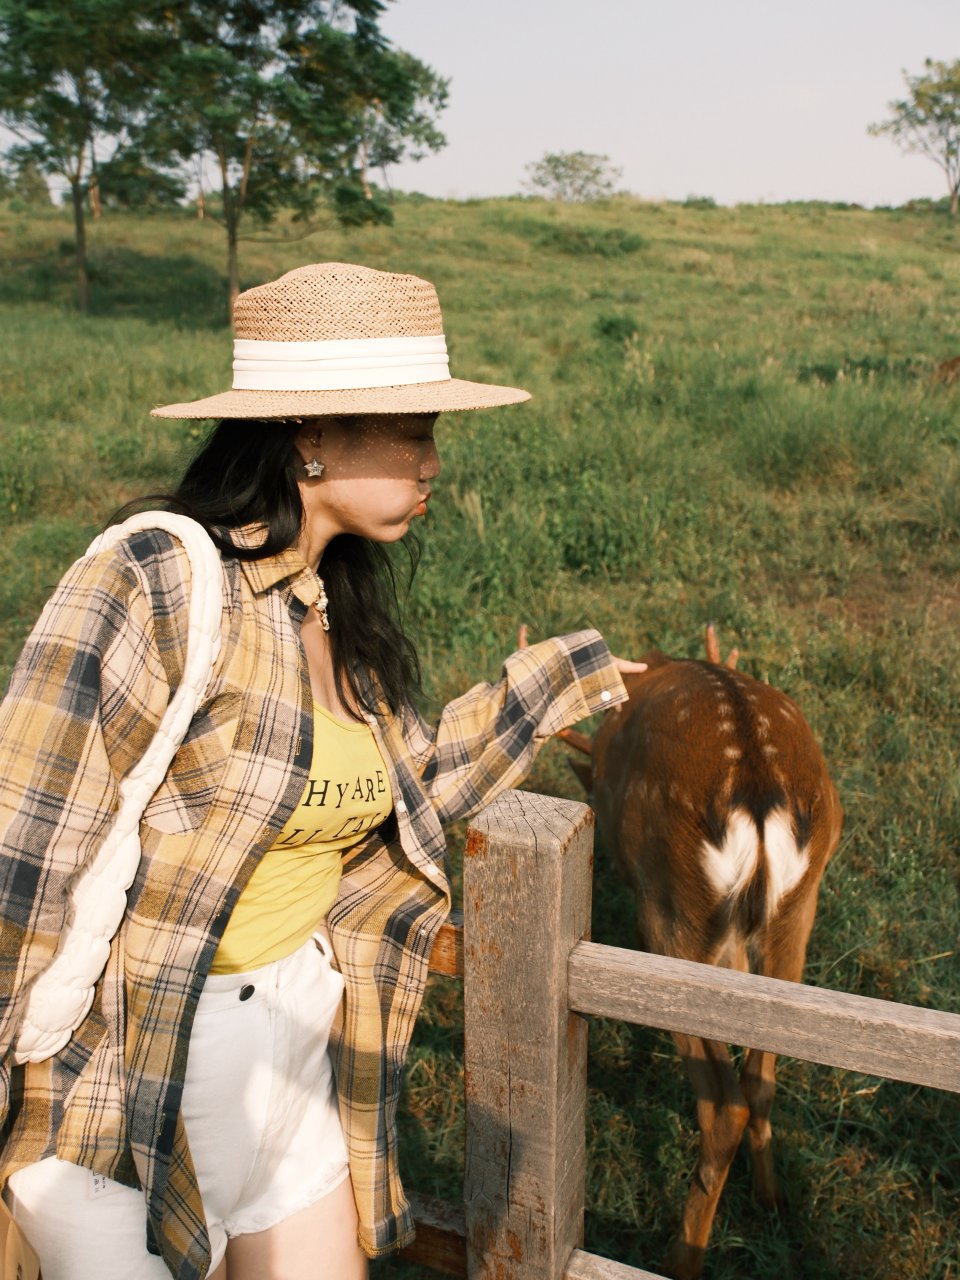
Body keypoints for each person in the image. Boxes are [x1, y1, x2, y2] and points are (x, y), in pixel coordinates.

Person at [0, 262, 642, 1280]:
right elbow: (25, 843)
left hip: (298, 1044)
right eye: (414, 428)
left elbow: (404, 792)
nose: (435, 463)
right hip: (135, 1075)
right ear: (309, 433)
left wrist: (565, 678)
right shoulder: (160, 577)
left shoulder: (330, 611)